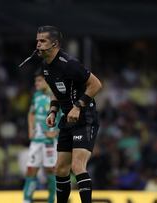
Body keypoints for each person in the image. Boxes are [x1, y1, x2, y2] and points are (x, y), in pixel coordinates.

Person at [36, 25, 102, 203]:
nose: (38, 45)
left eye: (43, 41)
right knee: (60, 169)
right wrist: (53, 110)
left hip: (85, 117)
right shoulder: (46, 66)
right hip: (67, 119)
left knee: (77, 166)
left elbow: (96, 85)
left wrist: (78, 106)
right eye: (37, 41)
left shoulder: (70, 64)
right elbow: (57, 92)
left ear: (55, 44)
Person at [23, 71, 61, 203]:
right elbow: (31, 113)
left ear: (46, 81)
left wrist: (56, 131)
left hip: (49, 141)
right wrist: (30, 129)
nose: (36, 84)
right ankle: (26, 200)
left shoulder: (55, 95)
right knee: (30, 169)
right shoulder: (36, 96)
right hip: (36, 140)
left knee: (51, 170)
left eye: (39, 81)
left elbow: (63, 114)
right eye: (35, 81)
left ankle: (52, 200)